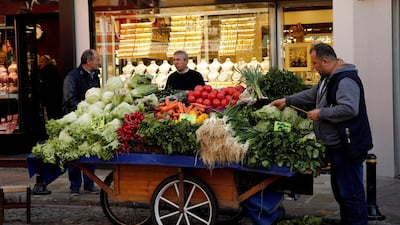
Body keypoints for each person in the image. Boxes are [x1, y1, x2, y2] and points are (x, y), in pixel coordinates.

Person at [269, 43, 372, 225]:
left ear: (325, 61)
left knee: (351, 194)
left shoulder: (345, 79)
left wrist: (321, 113)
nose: (313, 67)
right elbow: (312, 94)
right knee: (341, 192)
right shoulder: (328, 78)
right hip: (336, 145)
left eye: (315, 63)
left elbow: (349, 109)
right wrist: (287, 100)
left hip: (348, 145)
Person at [63, 49, 101, 196]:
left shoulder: (95, 76)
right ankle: (75, 186)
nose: (99, 61)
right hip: (75, 118)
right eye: (97, 59)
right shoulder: (72, 77)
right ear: (88, 61)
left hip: (90, 118)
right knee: (75, 152)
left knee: (90, 150)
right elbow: (68, 99)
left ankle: (89, 184)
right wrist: (85, 107)